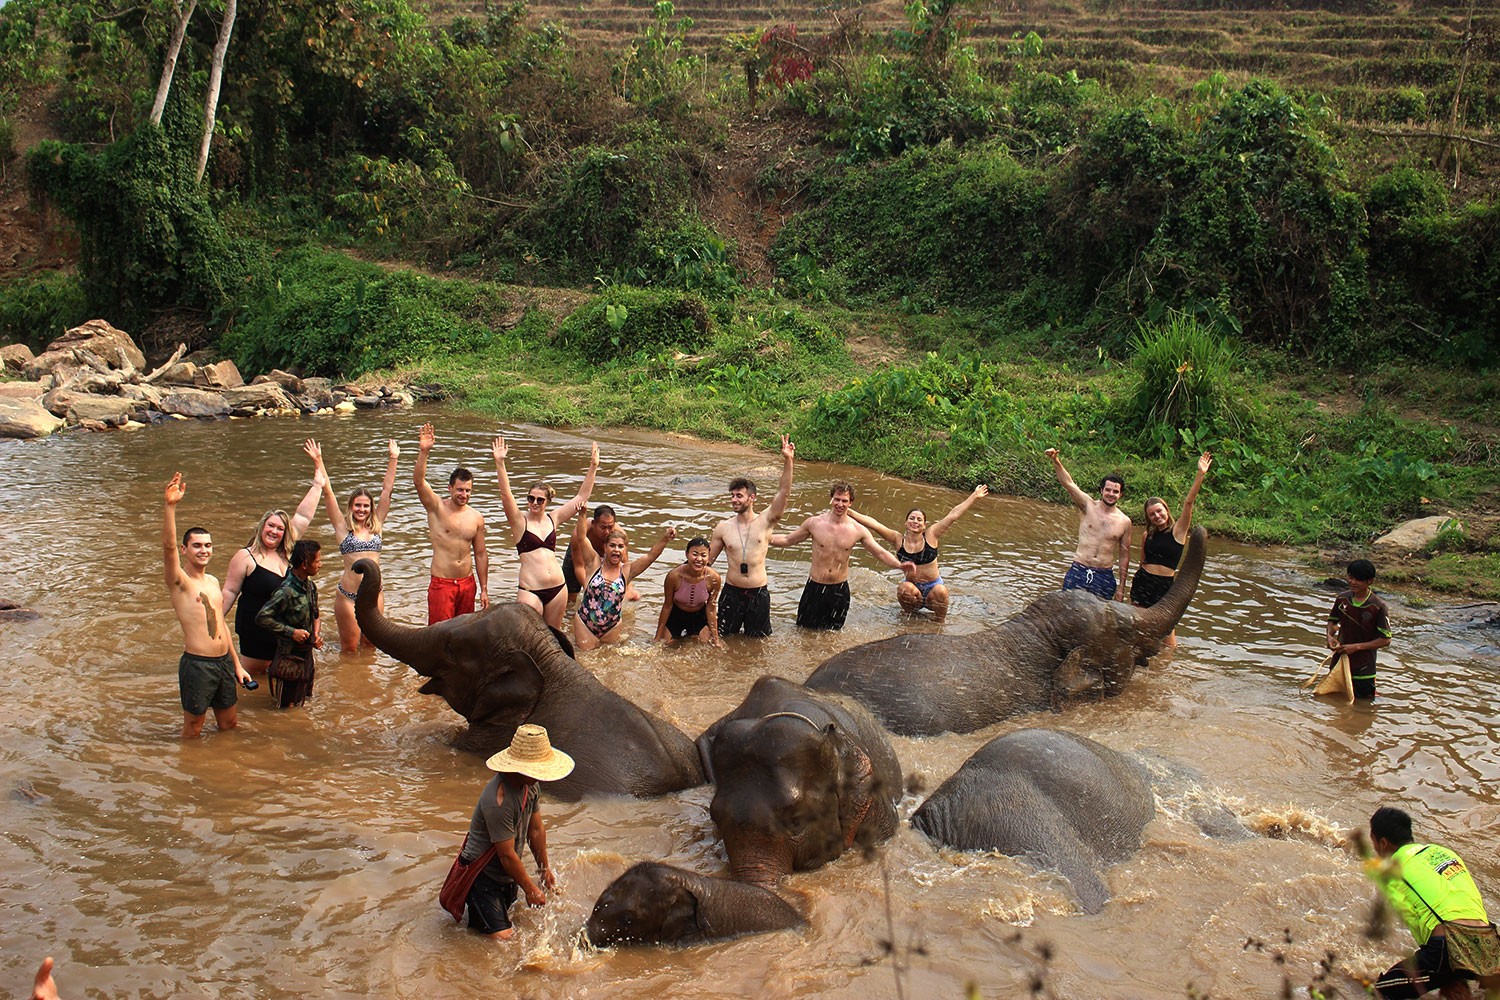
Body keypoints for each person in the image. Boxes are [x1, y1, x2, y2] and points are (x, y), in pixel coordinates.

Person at [1362, 806, 1499, 999]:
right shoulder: (1446, 853)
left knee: (1381, 991)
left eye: (1374, 843)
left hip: (1447, 946)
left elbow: (1418, 924)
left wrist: (1446, 976)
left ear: (1383, 843)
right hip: (1489, 944)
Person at [457, 723, 574, 940]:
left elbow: (536, 829)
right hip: (483, 875)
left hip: (505, 872)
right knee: (502, 939)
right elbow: (506, 854)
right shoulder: (498, 800)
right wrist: (530, 889)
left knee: (513, 919)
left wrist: (543, 869)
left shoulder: (530, 786)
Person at [162, 473, 254, 739]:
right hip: (198, 664)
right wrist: (170, 507)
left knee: (229, 725)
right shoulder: (180, 582)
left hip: (223, 662)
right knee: (193, 728)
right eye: (197, 546)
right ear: (184, 549)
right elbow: (167, 547)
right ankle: (189, 772)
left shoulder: (213, 581)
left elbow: (221, 625)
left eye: (208, 545)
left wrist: (236, 665)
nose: (204, 550)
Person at [772, 482, 916, 631]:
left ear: (850, 503)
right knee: (803, 633)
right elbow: (788, 539)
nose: (840, 504)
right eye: (837, 499)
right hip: (814, 588)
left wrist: (899, 565)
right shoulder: (814, 523)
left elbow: (879, 552)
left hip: (839, 591)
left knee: (833, 636)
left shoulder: (857, 529)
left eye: (844, 501)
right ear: (831, 499)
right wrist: (764, 539)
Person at [221, 471, 324, 674]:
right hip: (256, 630)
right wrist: (214, 621)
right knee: (252, 679)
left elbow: (303, 516)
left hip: (288, 633)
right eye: (270, 526)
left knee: (286, 681)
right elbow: (229, 592)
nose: (274, 531)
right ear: (262, 527)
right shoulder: (245, 556)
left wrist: (318, 486)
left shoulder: (288, 554)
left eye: (280, 528)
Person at [493, 436, 598, 629]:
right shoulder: (519, 521)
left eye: (539, 500)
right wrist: (500, 463)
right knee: (528, 638)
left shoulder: (553, 518)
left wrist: (593, 466)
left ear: (547, 502)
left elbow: (581, 496)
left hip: (558, 588)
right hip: (530, 590)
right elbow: (506, 495)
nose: (534, 503)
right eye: (531, 498)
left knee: (554, 638)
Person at [305, 437, 398, 651]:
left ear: (371, 508)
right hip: (348, 596)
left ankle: (366, 684)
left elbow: (387, 492)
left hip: (375, 594)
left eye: (366, 506)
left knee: (371, 646)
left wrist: (393, 458)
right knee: (349, 649)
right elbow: (328, 493)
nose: (362, 510)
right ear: (351, 506)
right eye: (358, 505)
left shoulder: (377, 525)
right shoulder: (342, 527)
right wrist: (318, 461)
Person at [847, 484, 989, 622]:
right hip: (912, 589)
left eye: (919, 519)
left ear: (924, 525)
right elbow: (875, 524)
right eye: (912, 518)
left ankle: (939, 623)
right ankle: (910, 620)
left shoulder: (932, 535)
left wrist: (974, 496)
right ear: (906, 522)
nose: (915, 521)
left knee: (942, 591)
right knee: (904, 588)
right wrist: (849, 512)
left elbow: (953, 515)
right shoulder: (897, 539)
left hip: (933, 588)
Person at [706, 434, 796, 637]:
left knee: (758, 644)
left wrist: (788, 461)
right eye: (732, 495)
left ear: (752, 498)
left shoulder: (766, 521)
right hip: (731, 593)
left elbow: (784, 492)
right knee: (724, 639)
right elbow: (707, 562)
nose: (734, 500)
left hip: (758, 593)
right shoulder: (723, 527)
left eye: (739, 495)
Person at [1130, 451, 1213, 633]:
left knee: (1167, 635)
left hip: (1164, 586)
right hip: (1143, 582)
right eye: (1152, 514)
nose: (1157, 516)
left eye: (1160, 511)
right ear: (1148, 518)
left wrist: (1200, 474)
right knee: (1138, 631)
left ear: (1166, 510)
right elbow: (1142, 562)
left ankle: (1168, 662)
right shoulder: (1147, 535)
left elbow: (1188, 503)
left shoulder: (1178, 530)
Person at [414, 423, 489, 624]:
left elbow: (480, 553)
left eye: (468, 491)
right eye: (460, 490)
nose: (464, 495)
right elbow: (419, 482)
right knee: (439, 635)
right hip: (442, 583)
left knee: (464, 634)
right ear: (450, 488)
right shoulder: (436, 507)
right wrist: (424, 452)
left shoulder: (476, 517)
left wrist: (483, 589)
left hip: (467, 583)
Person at [570, 516, 676, 651]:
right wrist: (582, 514)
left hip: (612, 626)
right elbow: (581, 538)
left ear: (625, 549)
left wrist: (665, 539)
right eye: (612, 545)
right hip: (585, 622)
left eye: (620, 546)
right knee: (585, 658)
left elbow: (650, 557)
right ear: (605, 547)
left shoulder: (627, 570)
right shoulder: (594, 562)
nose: (616, 549)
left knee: (610, 662)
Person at [1046, 448, 1132, 602]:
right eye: (1108, 490)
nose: (1111, 494)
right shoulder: (1088, 506)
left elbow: (1124, 555)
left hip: (1104, 575)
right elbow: (1068, 484)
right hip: (1079, 569)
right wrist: (1055, 460)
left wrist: (1121, 588)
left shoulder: (1124, 521)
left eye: (1115, 491)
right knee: (1068, 612)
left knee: (1099, 622)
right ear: (1101, 490)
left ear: (1121, 494)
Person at [256, 538, 324, 709]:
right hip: (289, 656)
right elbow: (262, 617)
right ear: (304, 564)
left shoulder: (310, 587)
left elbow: (316, 614)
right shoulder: (286, 592)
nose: (320, 564)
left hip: (306, 654)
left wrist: (316, 635)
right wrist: (291, 632)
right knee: (286, 707)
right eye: (317, 561)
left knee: (305, 698)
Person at [1326, 559, 1392, 701]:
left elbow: (1385, 639)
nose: (1353, 582)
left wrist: (1357, 647)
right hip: (1339, 663)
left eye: (1358, 579)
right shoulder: (1342, 599)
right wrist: (1330, 637)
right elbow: (1332, 621)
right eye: (1350, 577)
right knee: (1334, 701)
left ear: (1370, 581)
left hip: (1364, 668)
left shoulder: (1378, 607)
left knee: (1364, 705)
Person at [563, 504, 641, 603]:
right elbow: (579, 566)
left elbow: (625, 567)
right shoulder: (581, 534)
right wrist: (590, 589)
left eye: (610, 527)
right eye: (603, 527)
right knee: (570, 595)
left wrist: (628, 589)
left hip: (605, 557)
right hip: (581, 556)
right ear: (594, 524)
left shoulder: (620, 536)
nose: (607, 532)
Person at [654, 537, 725, 646]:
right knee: (666, 644)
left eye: (703, 555)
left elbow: (711, 609)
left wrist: (716, 639)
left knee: (704, 644)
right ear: (687, 554)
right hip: (677, 613)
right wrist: (657, 637)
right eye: (695, 554)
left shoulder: (714, 578)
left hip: (699, 614)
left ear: (708, 557)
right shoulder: (673, 576)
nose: (699, 559)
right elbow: (667, 606)